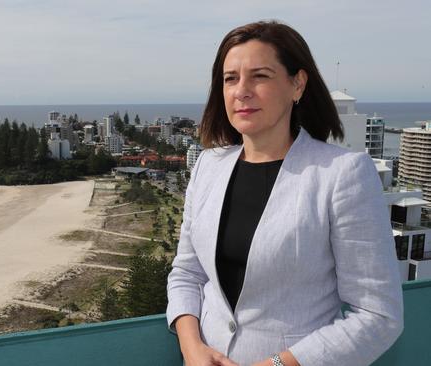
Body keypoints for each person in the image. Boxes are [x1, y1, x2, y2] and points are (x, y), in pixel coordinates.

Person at [166, 20, 404, 366]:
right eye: (230, 78)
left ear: (297, 84)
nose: (241, 90)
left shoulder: (342, 174)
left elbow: (378, 315)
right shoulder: (208, 166)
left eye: (260, 76)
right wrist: (192, 348)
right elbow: (187, 273)